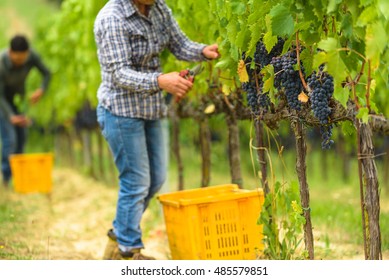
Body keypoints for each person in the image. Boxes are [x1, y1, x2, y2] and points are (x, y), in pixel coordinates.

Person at [94, 0, 219, 260]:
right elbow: (119, 74)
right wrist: (161, 80)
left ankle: (118, 237)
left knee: (157, 178)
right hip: (121, 111)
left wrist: (203, 51)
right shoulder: (112, 17)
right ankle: (128, 250)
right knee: (136, 182)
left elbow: (179, 43)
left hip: (151, 108)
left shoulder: (159, 8)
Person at [0, 35, 51, 188]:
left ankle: (19, 177)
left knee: (22, 138)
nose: (20, 63)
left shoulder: (31, 56)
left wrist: (41, 90)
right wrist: (10, 116)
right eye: (16, 61)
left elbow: (47, 73)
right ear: (10, 52)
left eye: (23, 61)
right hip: (2, 103)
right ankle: (6, 179)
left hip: (18, 100)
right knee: (11, 139)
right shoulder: (1, 64)